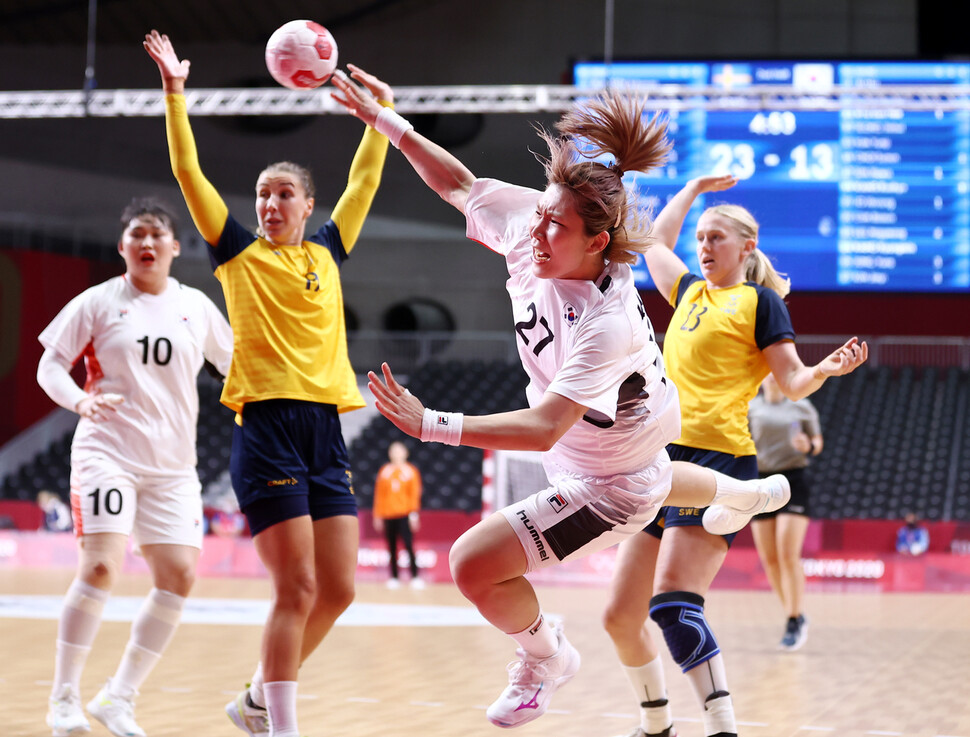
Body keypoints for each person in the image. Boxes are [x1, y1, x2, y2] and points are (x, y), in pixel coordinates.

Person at [332, 70, 792, 729]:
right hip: (636, 440)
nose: (536, 231)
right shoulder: (538, 228)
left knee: (472, 565)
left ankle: (546, 654)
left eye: (555, 225)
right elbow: (460, 186)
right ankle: (740, 494)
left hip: (608, 485)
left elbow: (546, 426)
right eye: (541, 215)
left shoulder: (607, 321)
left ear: (598, 243)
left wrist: (434, 423)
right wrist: (389, 123)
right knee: (658, 469)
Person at [143, 30, 392, 737]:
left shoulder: (328, 250)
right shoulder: (238, 254)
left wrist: (382, 115)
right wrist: (174, 93)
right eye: (262, 193)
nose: (271, 202)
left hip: (325, 430)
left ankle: (255, 696)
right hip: (268, 432)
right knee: (298, 586)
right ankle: (278, 725)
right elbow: (190, 174)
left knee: (338, 590)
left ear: (308, 204)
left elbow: (366, 182)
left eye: (284, 193)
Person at [601, 174, 867, 737]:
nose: (703, 247)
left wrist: (824, 369)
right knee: (619, 617)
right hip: (658, 461)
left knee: (672, 606)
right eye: (700, 237)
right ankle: (656, 727)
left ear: (747, 247)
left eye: (716, 238)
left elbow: (792, 381)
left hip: (718, 460)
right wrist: (693, 188)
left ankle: (723, 726)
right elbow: (653, 242)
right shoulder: (691, 292)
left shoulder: (760, 303)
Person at [37, 197, 233, 737]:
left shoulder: (196, 305)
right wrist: (79, 400)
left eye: (157, 235)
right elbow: (49, 364)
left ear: (174, 247)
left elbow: (236, 367)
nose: (147, 243)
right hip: (107, 452)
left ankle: (117, 697)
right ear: (123, 247)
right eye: (137, 235)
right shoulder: (98, 302)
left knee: (179, 575)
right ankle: (63, 699)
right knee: (100, 566)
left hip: (172, 465)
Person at [748, 372, 823, 651]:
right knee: (769, 559)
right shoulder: (750, 407)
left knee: (787, 553)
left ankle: (792, 619)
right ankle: (796, 613)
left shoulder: (801, 405)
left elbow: (818, 442)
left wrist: (810, 445)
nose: (769, 375)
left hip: (793, 479)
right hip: (761, 481)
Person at [372, 440, 423, 588]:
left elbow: (414, 494)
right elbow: (379, 494)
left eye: (399, 451)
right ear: (389, 454)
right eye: (393, 451)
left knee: (408, 545)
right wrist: (377, 515)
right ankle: (394, 577)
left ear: (405, 453)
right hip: (388, 515)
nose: (396, 454)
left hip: (405, 514)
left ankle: (415, 576)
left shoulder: (411, 471)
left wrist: (414, 515)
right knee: (391, 547)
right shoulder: (384, 471)